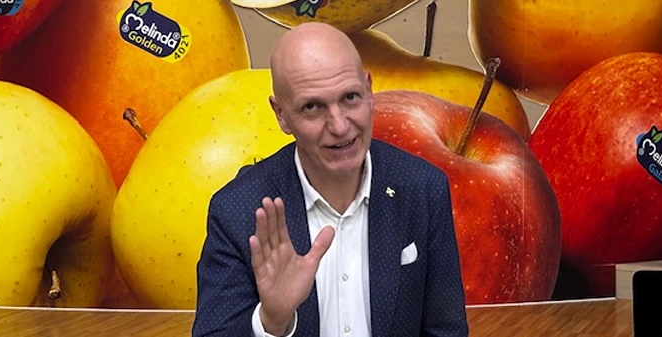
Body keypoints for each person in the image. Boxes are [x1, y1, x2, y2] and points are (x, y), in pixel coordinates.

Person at [191, 22, 468, 337]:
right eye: (312, 107)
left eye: (350, 97)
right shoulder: (237, 210)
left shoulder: (423, 189)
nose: (339, 126)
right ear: (281, 115)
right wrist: (271, 321)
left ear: (369, 90)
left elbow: (447, 332)